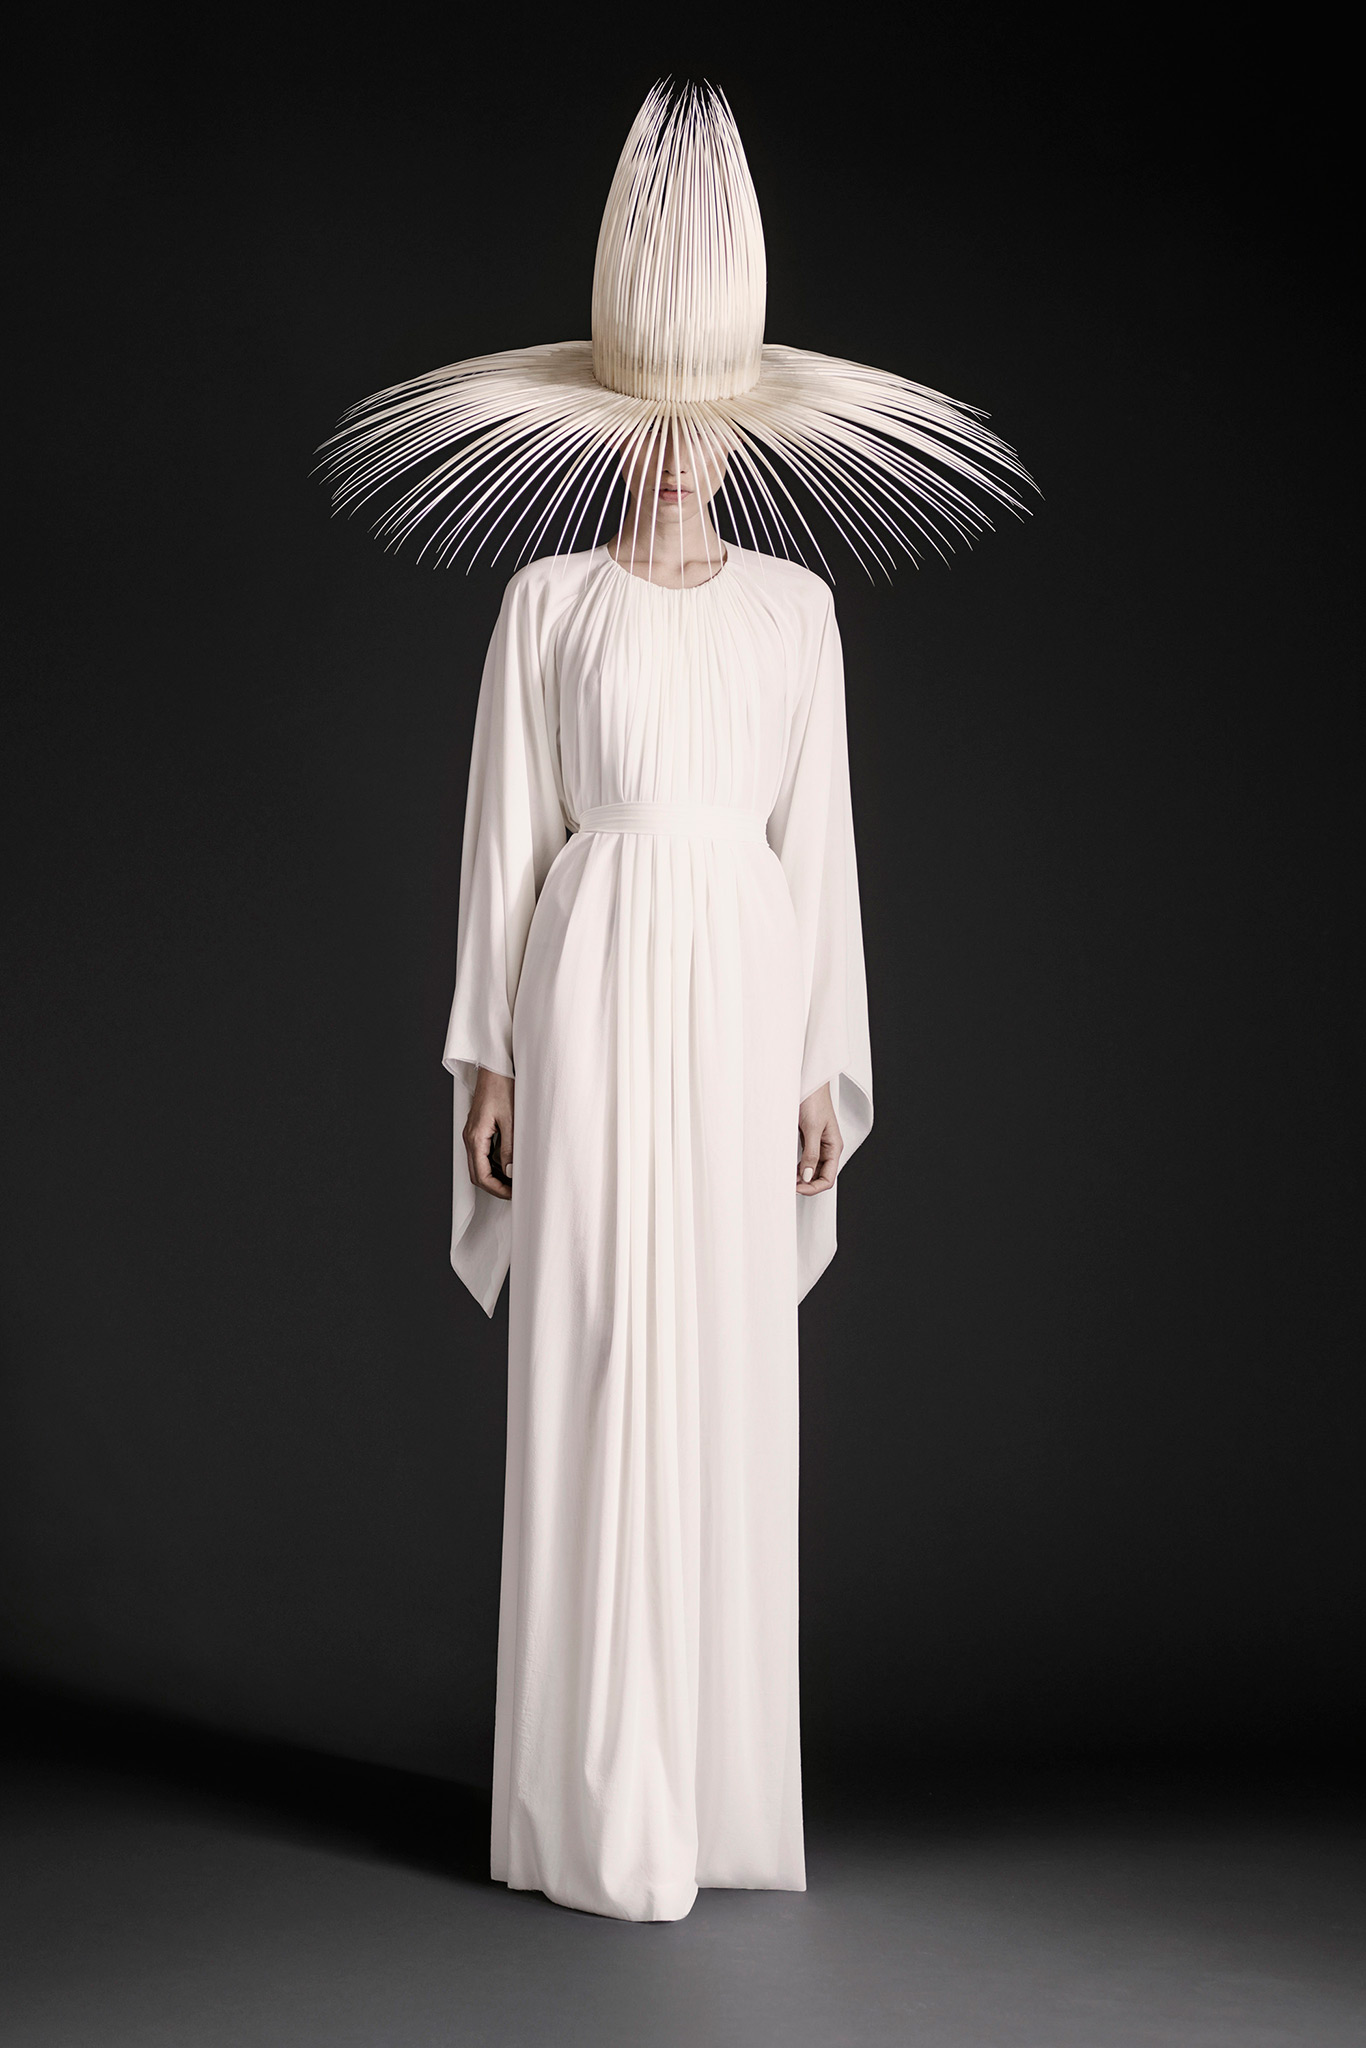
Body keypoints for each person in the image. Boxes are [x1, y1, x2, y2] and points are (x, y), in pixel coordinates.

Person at [320, 81, 1026, 1923]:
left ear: (744, 431)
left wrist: (819, 1066)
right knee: (591, 1345)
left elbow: (823, 854)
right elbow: (504, 835)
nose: (678, 455)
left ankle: (704, 1798)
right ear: (607, 423)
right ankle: (586, 1802)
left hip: (737, 1004)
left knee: (715, 1355)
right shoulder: (545, 604)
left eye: (707, 429)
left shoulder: (797, 615)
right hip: (587, 984)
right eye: (651, 426)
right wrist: (484, 1054)